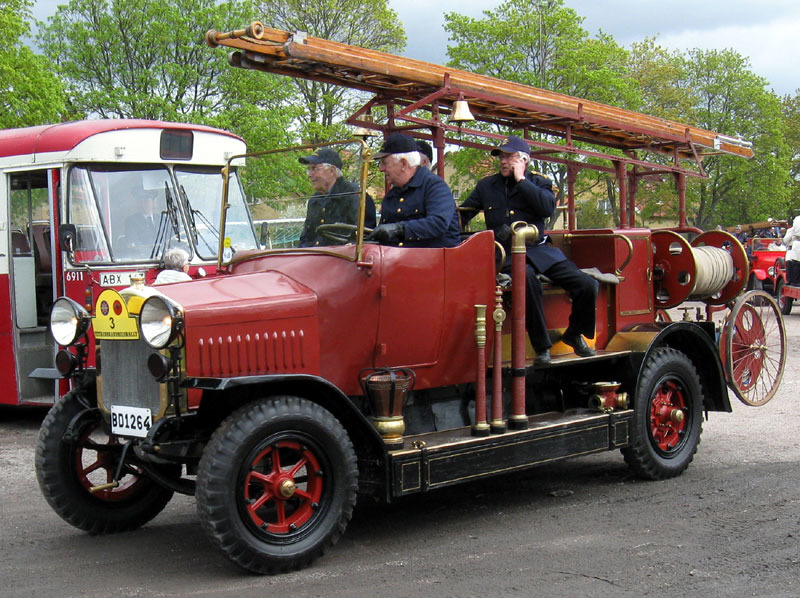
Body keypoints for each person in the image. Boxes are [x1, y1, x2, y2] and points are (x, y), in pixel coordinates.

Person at [459, 135, 598, 364]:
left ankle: (574, 333)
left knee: (586, 284)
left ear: (524, 160)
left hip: (541, 251)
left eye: (509, 156)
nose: (503, 161)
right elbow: (463, 214)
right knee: (527, 280)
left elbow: (546, 209)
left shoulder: (538, 182)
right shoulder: (487, 186)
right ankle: (542, 347)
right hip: (506, 254)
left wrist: (522, 180)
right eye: (501, 157)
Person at [368, 133, 460, 248]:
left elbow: (438, 223)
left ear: (403, 164)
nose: (381, 169)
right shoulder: (392, 195)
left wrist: (400, 229)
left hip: (434, 262)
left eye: (385, 163)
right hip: (397, 260)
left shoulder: (434, 186)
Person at [298, 148, 377, 247]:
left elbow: (362, 241)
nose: (309, 174)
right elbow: (305, 239)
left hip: (342, 259)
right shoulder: (315, 200)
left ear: (332, 171)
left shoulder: (355, 196)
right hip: (315, 258)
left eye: (314, 169)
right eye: (309, 169)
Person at [783, 215, 800, 286]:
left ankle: (794, 281)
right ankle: (792, 281)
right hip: (793, 247)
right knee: (794, 264)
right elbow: (785, 240)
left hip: (795, 245)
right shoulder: (791, 230)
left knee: (796, 264)